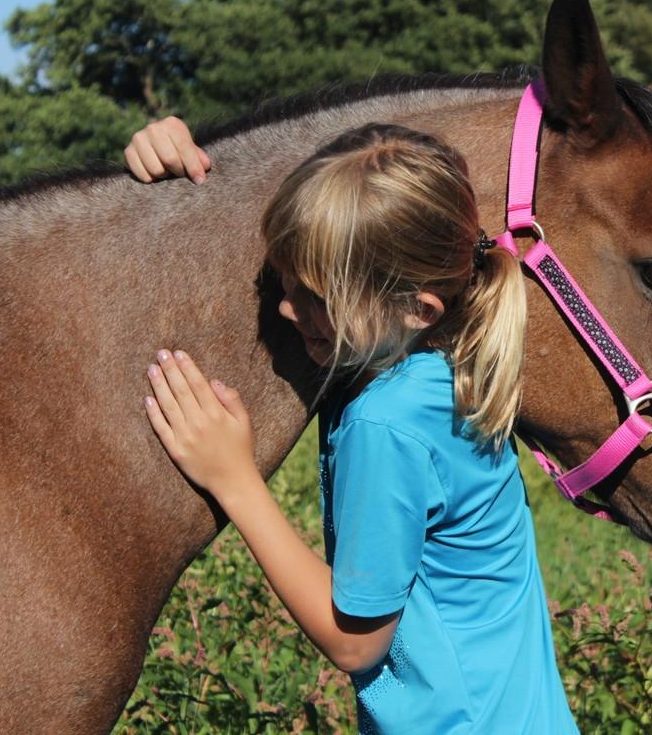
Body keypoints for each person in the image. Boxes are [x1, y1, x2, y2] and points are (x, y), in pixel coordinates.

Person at [137, 123, 578, 733]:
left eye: (316, 295)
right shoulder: (439, 370)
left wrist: (233, 479)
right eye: (284, 281)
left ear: (416, 309)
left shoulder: (388, 422)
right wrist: (174, 156)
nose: (290, 309)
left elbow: (355, 643)